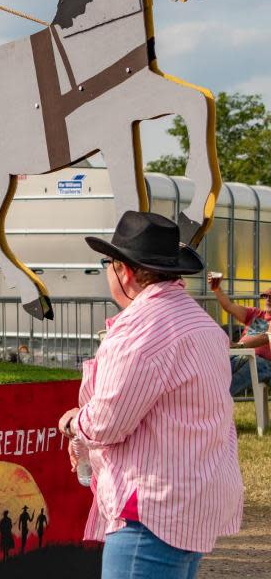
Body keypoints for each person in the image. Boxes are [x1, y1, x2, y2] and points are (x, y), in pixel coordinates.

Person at [60, 211, 242, 579]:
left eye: (108, 263)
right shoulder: (200, 323)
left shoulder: (141, 329)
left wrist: (72, 421)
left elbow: (108, 423)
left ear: (125, 271)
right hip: (192, 501)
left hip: (151, 511)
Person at [210, 278, 271, 396]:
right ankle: (205, 392)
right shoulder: (257, 314)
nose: (268, 299)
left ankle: (218, 396)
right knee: (213, 358)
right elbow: (228, 305)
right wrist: (216, 288)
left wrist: (239, 346)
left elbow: (266, 337)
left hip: (262, 363)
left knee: (257, 362)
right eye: (266, 295)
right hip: (241, 356)